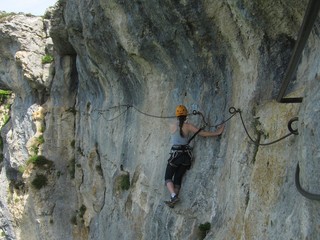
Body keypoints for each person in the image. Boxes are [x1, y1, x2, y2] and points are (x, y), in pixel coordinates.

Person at [164, 105, 225, 206]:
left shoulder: (172, 125)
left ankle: (173, 196)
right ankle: (173, 200)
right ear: (186, 114)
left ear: (176, 115)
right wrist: (217, 133)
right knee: (178, 177)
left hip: (176, 155)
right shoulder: (188, 126)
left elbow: (166, 122)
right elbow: (203, 133)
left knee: (168, 177)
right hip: (186, 156)